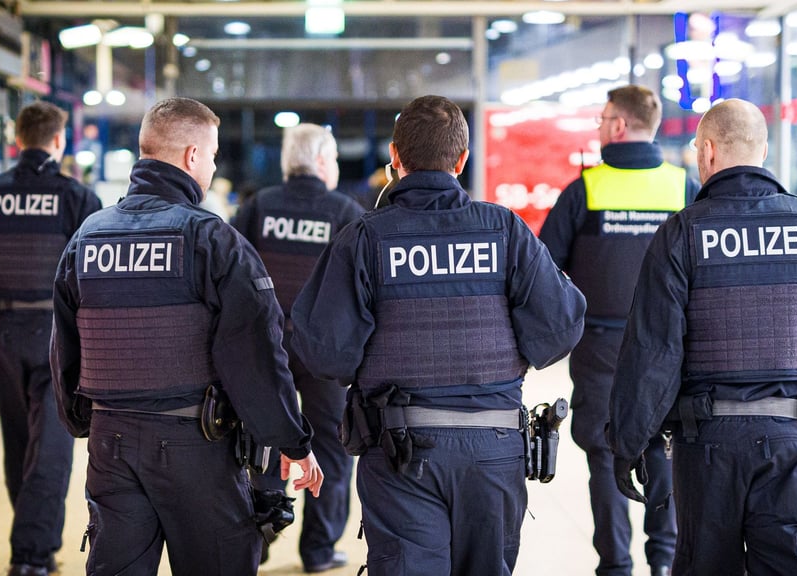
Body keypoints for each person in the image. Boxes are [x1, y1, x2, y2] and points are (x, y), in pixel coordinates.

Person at [290, 95, 586, 575]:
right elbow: (560, 328)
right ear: (462, 159)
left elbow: (324, 353)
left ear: (395, 158)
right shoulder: (504, 230)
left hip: (400, 454)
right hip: (493, 451)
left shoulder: (366, 238)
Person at [608, 98, 797, 575]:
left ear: (708, 152)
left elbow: (654, 351)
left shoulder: (682, 234)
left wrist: (628, 439)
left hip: (708, 445)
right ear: (762, 151)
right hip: (795, 440)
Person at [50, 97, 324, 576]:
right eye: (213, 154)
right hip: (195, 447)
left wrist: (83, 421)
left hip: (110, 442)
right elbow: (255, 357)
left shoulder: (87, 237)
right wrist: (292, 441)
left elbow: (66, 348)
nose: (215, 165)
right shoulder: (211, 241)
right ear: (192, 156)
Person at [538, 84, 699, 576]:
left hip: (601, 346)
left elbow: (544, 271)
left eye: (602, 119)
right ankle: (665, 561)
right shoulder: (684, 187)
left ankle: (615, 564)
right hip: (671, 348)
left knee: (605, 455)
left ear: (620, 126)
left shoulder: (585, 189)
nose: (599, 127)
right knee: (665, 447)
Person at [0, 100, 102, 576]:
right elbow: (93, 273)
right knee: (51, 447)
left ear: (17, 140)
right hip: (58, 337)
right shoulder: (77, 197)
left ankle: (33, 540)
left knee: (19, 443)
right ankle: (31, 554)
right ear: (58, 141)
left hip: (4, 337)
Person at [230, 122, 364, 573]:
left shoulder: (258, 208)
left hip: (265, 349)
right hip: (324, 354)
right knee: (331, 445)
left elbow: (232, 276)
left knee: (266, 439)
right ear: (323, 161)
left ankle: (261, 539)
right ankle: (319, 550)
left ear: (290, 162)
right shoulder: (345, 212)